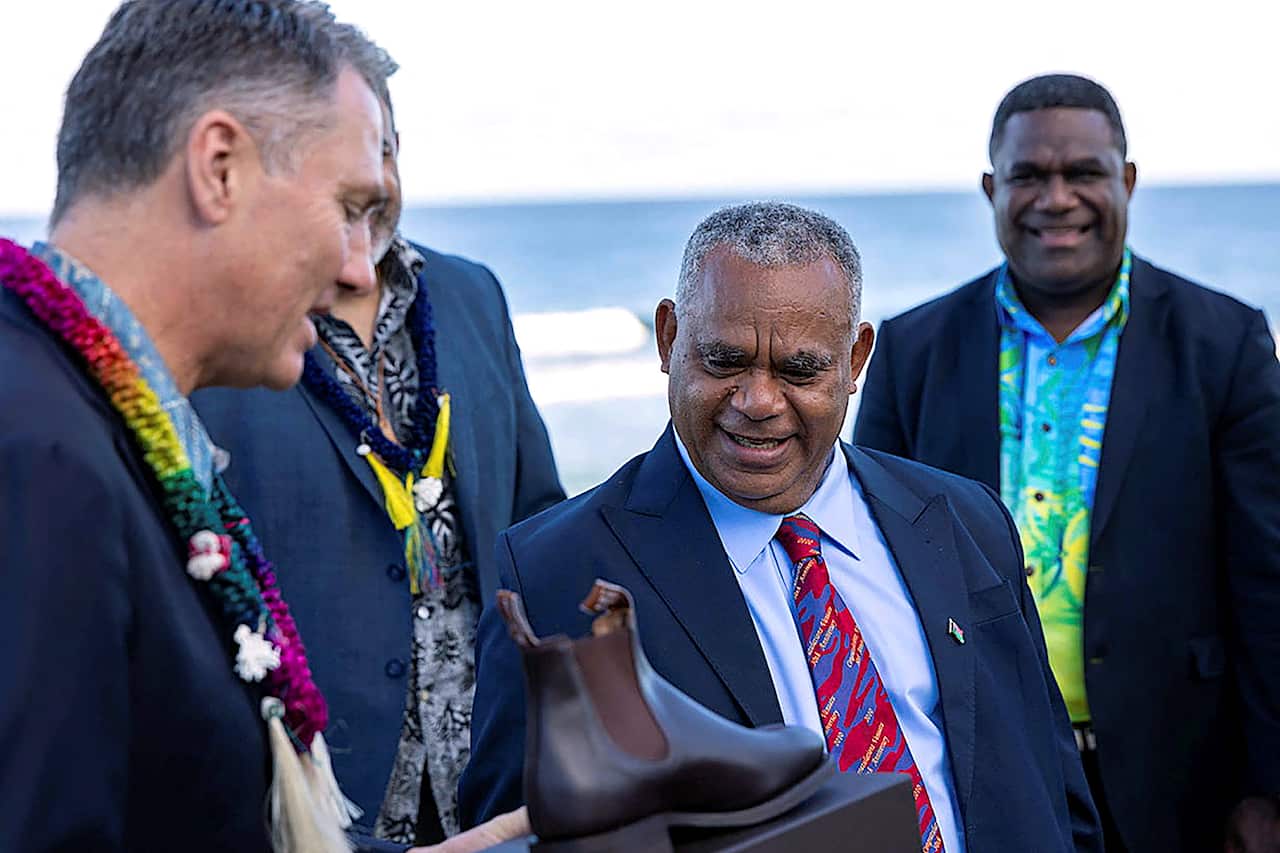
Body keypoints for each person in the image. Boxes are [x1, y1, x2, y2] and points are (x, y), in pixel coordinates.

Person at [0, 2, 527, 852]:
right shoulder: (36, 455)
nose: (361, 265)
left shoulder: (91, 419)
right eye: (347, 203)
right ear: (219, 168)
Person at [460, 202, 1102, 853]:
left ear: (855, 360)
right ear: (667, 337)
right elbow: (510, 834)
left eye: (799, 370)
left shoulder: (967, 520)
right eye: (723, 361)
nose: (758, 401)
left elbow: (1052, 789)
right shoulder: (552, 576)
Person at [852, 73, 1280, 853]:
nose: (1056, 197)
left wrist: (1269, 786)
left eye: (1083, 172)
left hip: (1184, 776)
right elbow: (872, 574)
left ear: (1127, 180)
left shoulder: (1226, 343)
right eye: (1028, 175)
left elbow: (1268, 578)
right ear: (991, 188)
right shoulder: (911, 351)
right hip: (985, 770)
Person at [192, 55, 564, 846]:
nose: (376, 184)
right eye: (350, 166)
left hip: (497, 786)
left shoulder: (473, 293)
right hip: (317, 802)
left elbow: (539, 522)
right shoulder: (223, 332)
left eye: (387, 153)